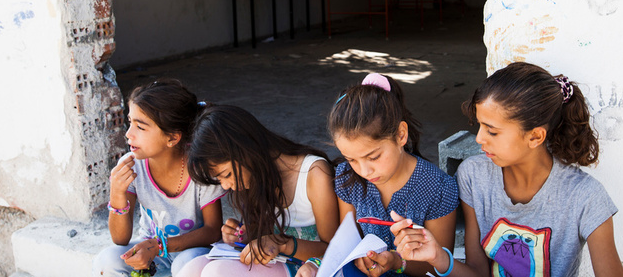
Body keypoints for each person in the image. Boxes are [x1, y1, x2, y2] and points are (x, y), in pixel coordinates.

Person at [391, 62, 623, 277]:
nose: (480, 139)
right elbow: (478, 272)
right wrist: (438, 256)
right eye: (479, 125)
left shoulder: (586, 196)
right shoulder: (474, 175)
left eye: (492, 131)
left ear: (535, 136)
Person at [299, 73, 458, 277]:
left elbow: (440, 267)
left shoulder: (438, 188)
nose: (364, 171)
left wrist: (396, 262)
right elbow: (347, 246)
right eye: (352, 159)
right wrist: (316, 264)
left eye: (373, 157)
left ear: (401, 135)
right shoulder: (348, 178)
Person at [179, 104, 339, 277]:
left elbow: (332, 249)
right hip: (274, 262)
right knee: (190, 269)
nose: (225, 186)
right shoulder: (255, 179)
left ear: (245, 150)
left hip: (307, 268)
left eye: (227, 174)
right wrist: (245, 235)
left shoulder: (314, 174)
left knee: (216, 272)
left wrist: (281, 243)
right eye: (219, 180)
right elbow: (264, 234)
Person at [92, 79, 226, 277]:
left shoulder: (200, 168)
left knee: (185, 264)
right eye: (130, 123)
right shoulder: (132, 165)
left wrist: (160, 246)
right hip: (150, 251)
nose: (129, 134)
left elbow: (212, 230)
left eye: (141, 127)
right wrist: (117, 192)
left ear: (172, 138)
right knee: (108, 261)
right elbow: (120, 239)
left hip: (192, 251)